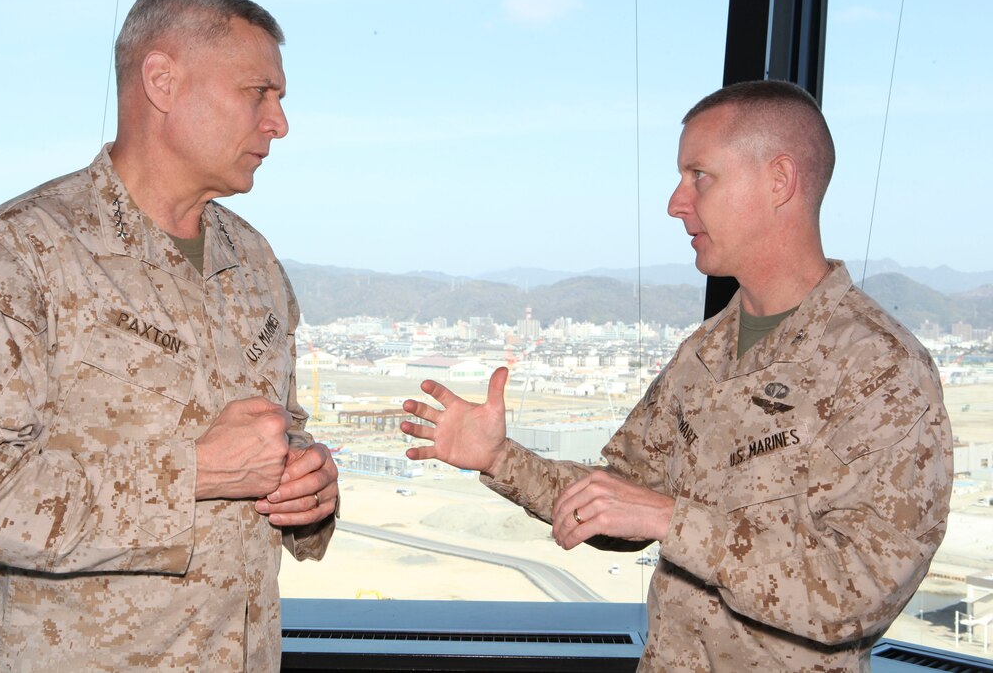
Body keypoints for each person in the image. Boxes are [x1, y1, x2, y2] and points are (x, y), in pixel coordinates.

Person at [401, 80, 953, 671]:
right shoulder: (706, 351)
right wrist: (499, 458)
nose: (675, 202)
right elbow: (623, 498)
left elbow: (859, 594)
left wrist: (672, 519)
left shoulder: (882, 370)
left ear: (779, 181)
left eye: (699, 176)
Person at [0, 0, 338, 671]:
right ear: (162, 81)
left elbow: (277, 438)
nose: (278, 123)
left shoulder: (254, 261)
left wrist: (309, 491)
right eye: (259, 92)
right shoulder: (26, 250)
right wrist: (193, 472)